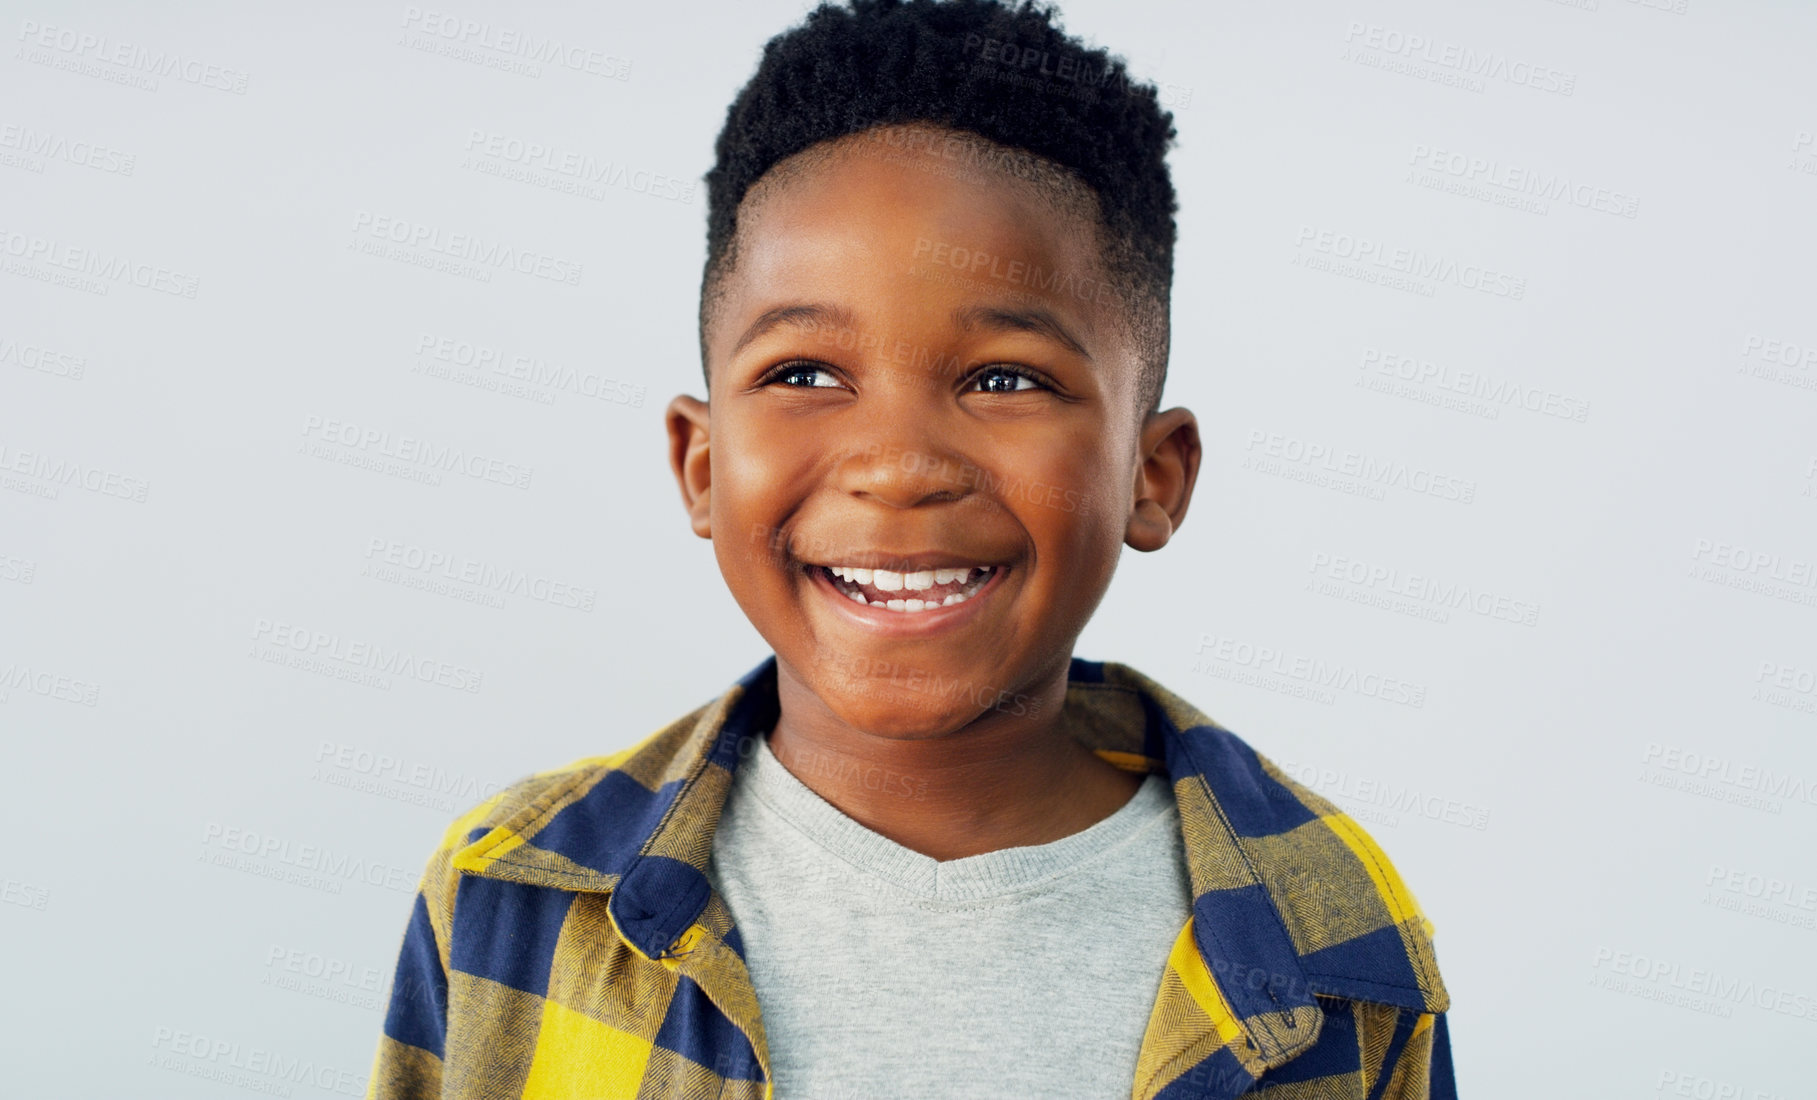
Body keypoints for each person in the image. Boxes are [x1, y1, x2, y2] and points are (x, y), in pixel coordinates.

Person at [366, 1, 1455, 1096]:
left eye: (1004, 378)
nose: (896, 465)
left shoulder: (1338, 937)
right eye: (803, 374)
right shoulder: (513, 894)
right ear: (701, 464)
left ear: (1151, 474)